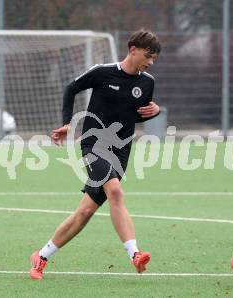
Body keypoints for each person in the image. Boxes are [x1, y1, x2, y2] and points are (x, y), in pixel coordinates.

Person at [29, 29, 161, 279]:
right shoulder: (103, 72)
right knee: (115, 192)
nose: (150, 62)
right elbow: (71, 88)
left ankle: (41, 256)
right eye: (148, 55)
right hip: (94, 146)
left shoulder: (148, 82)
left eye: (154, 58)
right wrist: (67, 123)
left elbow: (134, 114)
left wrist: (154, 111)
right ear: (132, 49)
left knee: (85, 212)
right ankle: (134, 253)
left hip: (121, 151)